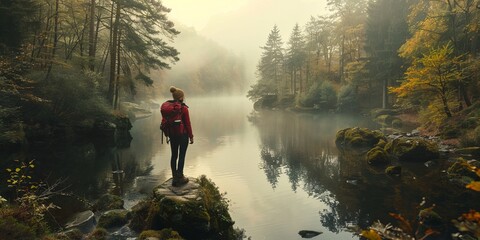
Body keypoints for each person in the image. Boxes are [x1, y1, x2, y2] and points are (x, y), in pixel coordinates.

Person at [165, 86, 194, 187]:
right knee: (181, 155)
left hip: (172, 135)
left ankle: (174, 177)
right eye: (183, 96)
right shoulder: (183, 108)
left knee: (174, 155)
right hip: (183, 135)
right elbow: (187, 123)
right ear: (181, 98)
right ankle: (180, 176)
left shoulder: (169, 108)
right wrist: (191, 136)